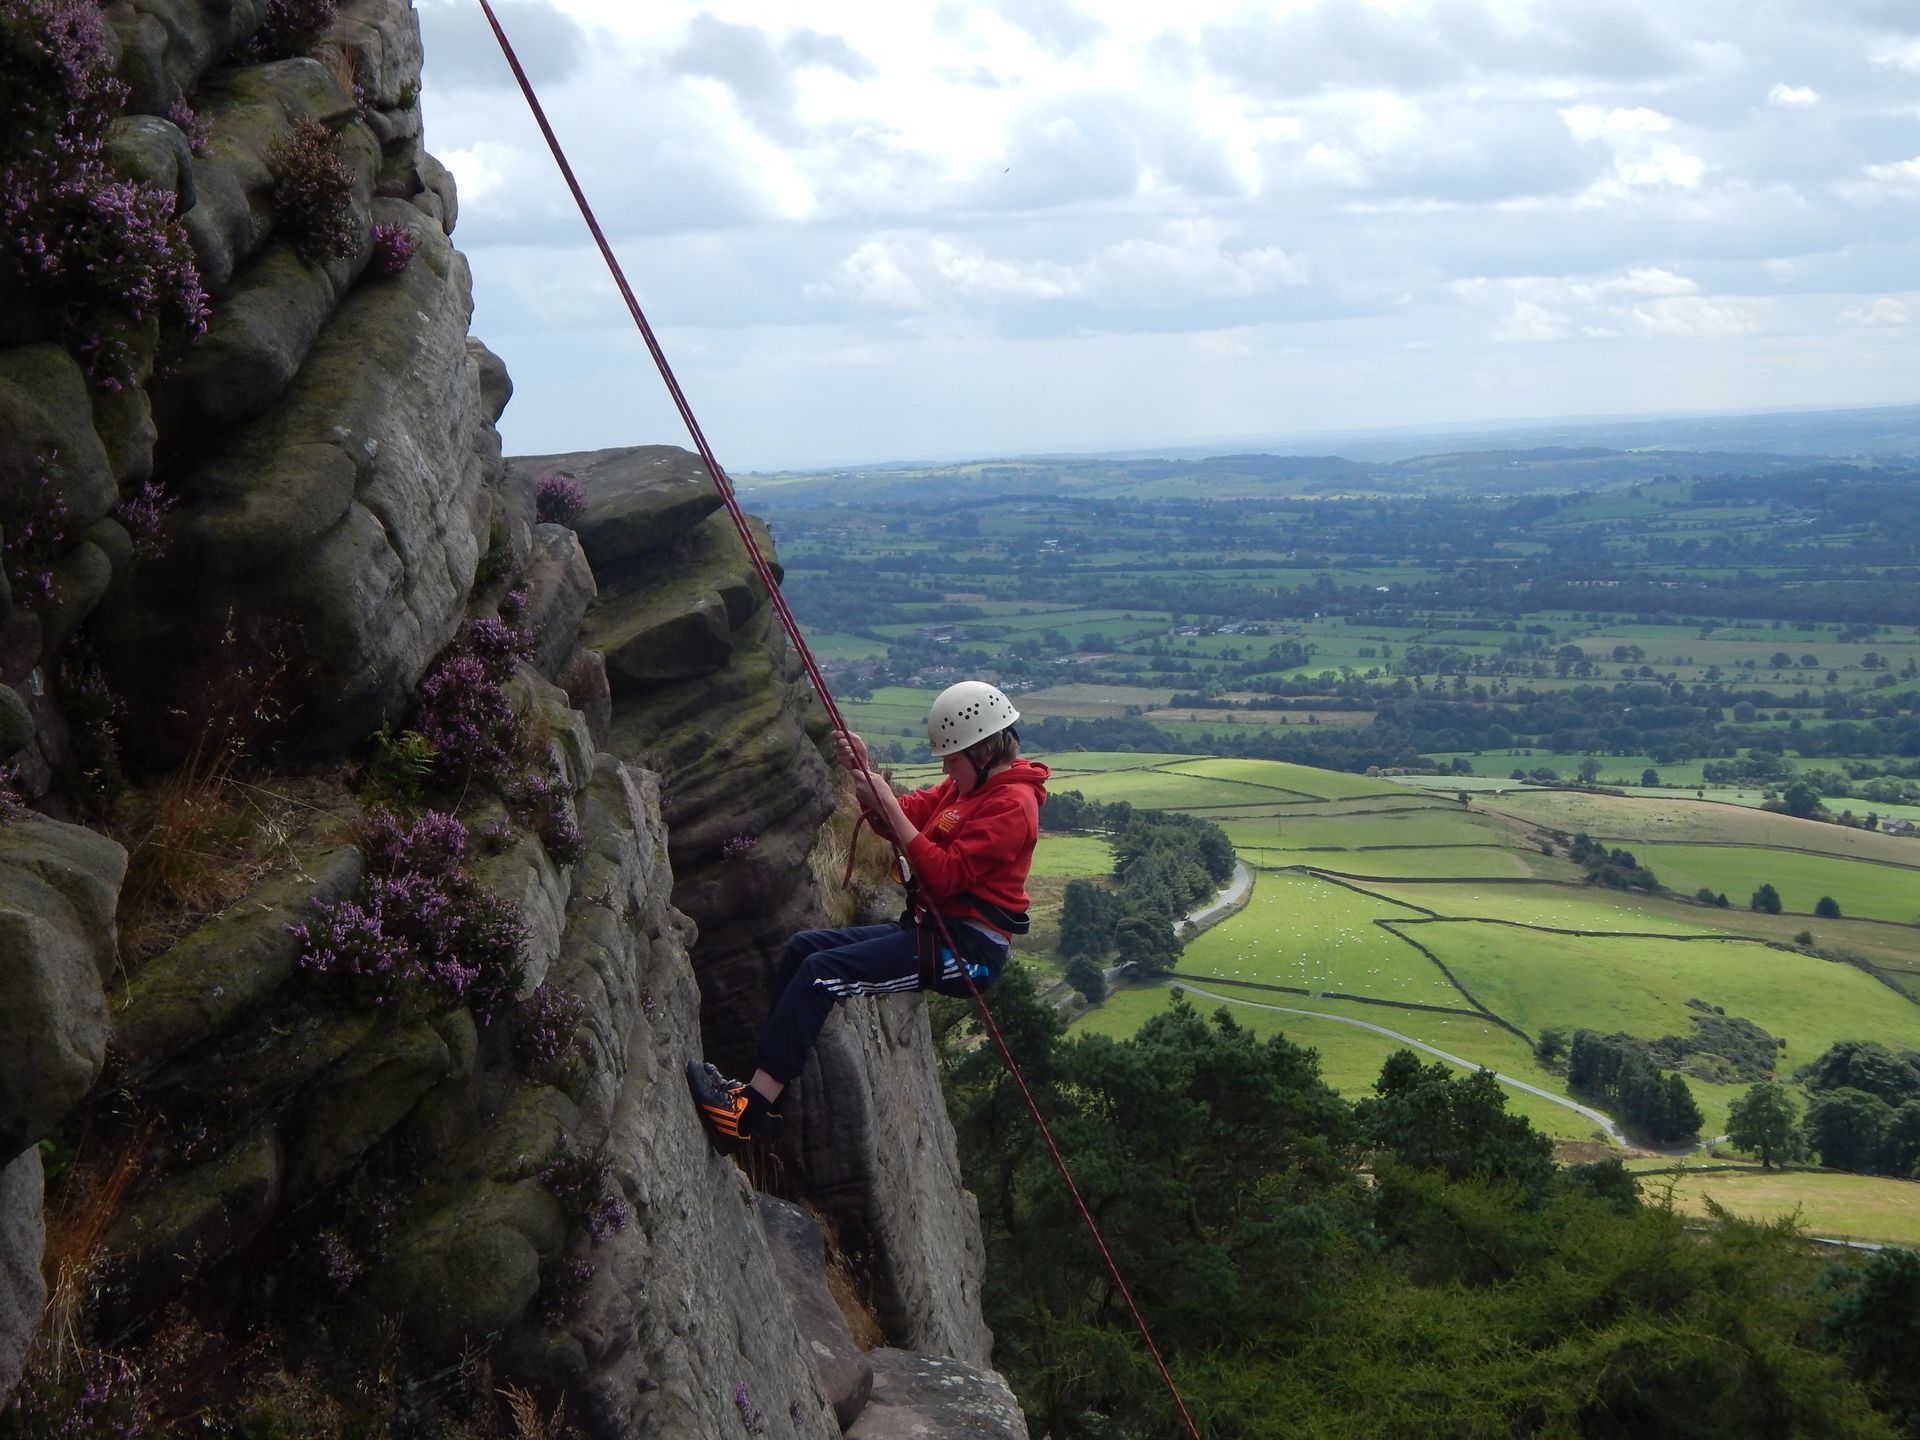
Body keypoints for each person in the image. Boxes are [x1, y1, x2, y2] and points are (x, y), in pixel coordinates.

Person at [691, 680, 1049, 1151]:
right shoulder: (964, 789)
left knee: (822, 974)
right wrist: (865, 774)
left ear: (983, 752)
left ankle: (748, 1114)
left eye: (952, 758)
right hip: (937, 930)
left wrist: (888, 808)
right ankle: (766, 1099)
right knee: (804, 950)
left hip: (969, 950)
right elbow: (900, 814)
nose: (944, 767)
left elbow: (943, 876)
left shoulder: (1012, 805)